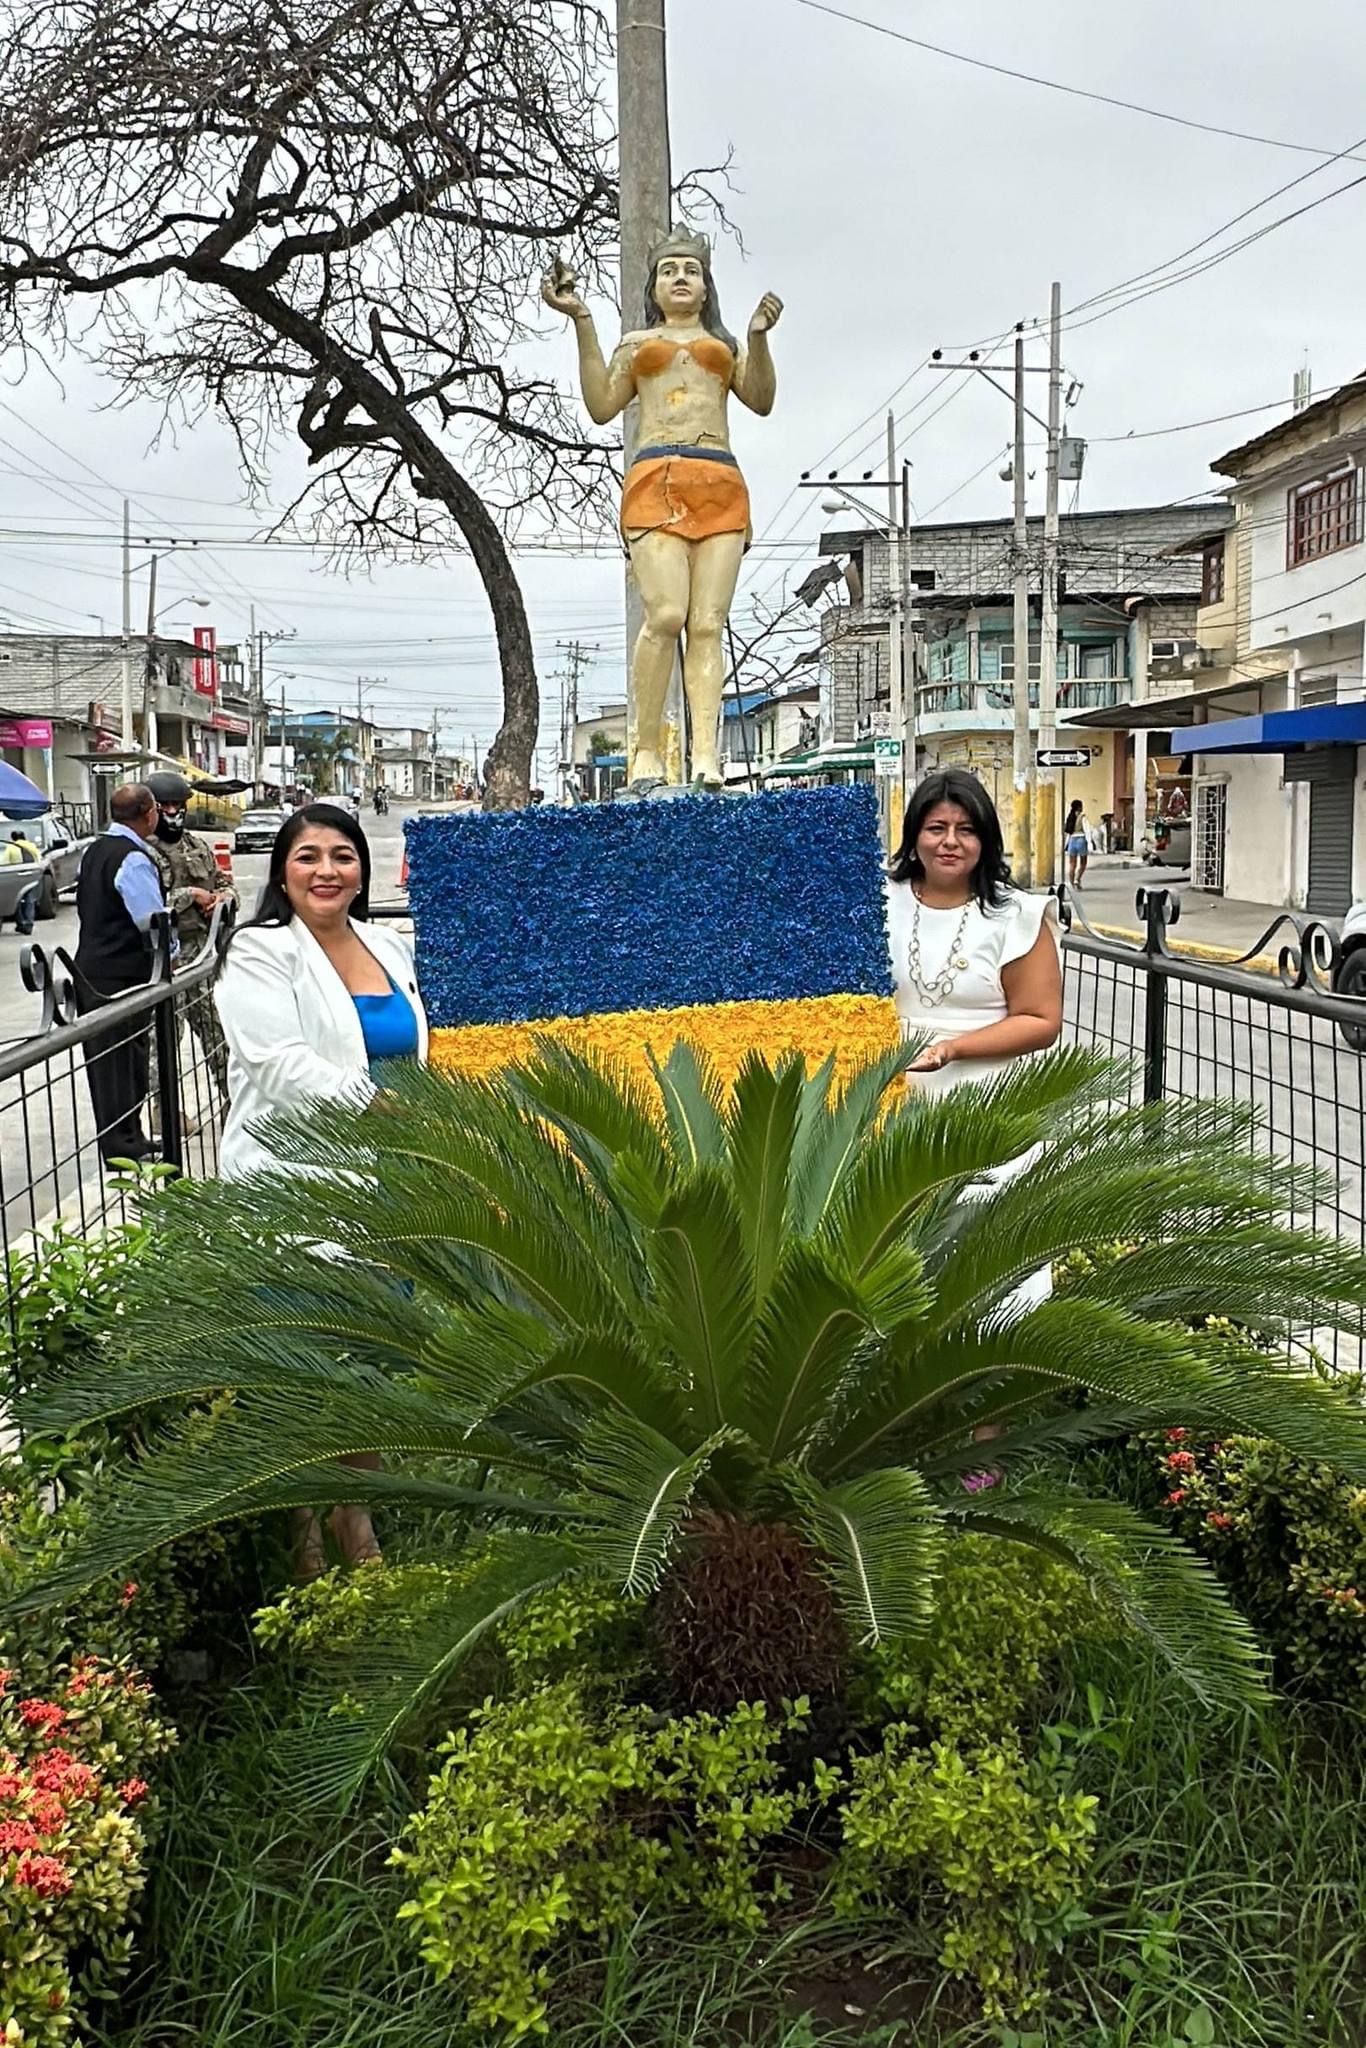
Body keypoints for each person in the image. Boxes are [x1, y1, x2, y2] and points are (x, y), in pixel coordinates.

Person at [214, 802, 429, 1574]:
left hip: (386, 1187)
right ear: (281, 871)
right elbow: (277, 1063)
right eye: (308, 856)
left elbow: (415, 1047)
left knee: (370, 1359)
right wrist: (377, 1104)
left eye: (343, 855)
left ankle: (356, 1524)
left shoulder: (387, 945)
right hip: (294, 1188)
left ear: (362, 870)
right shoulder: (259, 952)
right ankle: (301, 1542)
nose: (327, 871)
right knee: (298, 1366)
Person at [543, 227, 782, 788]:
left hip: (719, 479)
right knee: (668, 614)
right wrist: (581, 320)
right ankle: (646, 749)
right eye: (669, 270)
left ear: (706, 287)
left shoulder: (725, 346)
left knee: (707, 624)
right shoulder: (636, 343)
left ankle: (706, 755)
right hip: (656, 477)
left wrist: (758, 336)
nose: (680, 278)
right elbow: (602, 404)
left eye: (691, 270)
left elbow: (761, 399)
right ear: (653, 286)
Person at [887, 769, 1063, 1091]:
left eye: (966, 830)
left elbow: (1041, 1021)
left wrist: (952, 1049)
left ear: (985, 841)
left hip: (983, 1104)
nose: (950, 841)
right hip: (883, 1095)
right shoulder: (878, 903)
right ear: (913, 837)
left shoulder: (1017, 915)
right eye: (936, 828)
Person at [72, 783, 172, 1165]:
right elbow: (151, 920)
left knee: (109, 1060)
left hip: (92, 968)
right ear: (149, 813)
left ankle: (126, 1138)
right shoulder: (132, 858)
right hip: (121, 972)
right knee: (124, 1058)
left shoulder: (94, 850)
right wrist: (170, 953)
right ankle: (124, 1144)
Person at [145, 771, 238, 1115]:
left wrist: (225, 897)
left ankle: (233, 1102)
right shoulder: (144, 850)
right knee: (166, 1037)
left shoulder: (196, 845)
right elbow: (149, 904)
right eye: (165, 806)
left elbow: (224, 882)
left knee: (218, 1033)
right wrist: (191, 895)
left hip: (201, 954)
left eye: (177, 805)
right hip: (167, 957)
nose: (173, 812)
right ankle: (165, 1112)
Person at [3, 827, 41, 935]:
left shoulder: (11, 847)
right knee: (30, 900)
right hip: (31, 875)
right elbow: (39, 859)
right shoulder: (31, 846)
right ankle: (29, 923)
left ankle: (21, 923)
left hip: (17, 876)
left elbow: (5, 862)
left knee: (17, 900)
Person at [1063, 799, 1091, 888]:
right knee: (1083, 863)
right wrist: (1090, 842)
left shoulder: (1070, 817)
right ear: (1079, 807)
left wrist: (1065, 844)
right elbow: (1087, 830)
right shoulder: (1083, 817)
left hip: (1072, 841)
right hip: (1081, 839)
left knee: (1072, 864)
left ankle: (1072, 883)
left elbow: (1068, 833)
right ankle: (1077, 879)